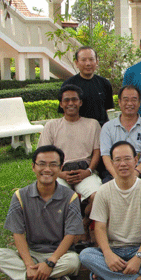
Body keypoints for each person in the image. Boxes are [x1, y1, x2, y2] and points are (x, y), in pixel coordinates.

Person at [0, 145, 84, 280]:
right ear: (33, 167)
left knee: (73, 262)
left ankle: (24, 279)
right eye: (42, 164)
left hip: (59, 256)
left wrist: (50, 263)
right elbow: (18, 233)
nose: (47, 169)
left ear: (60, 169)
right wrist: (28, 264)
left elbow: (70, 235)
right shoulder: (20, 196)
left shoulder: (69, 197)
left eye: (53, 165)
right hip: (31, 254)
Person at [79, 141, 141, 280]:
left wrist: (139, 257)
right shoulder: (103, 191)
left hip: (139, 248)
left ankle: (106, 276)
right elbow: (100, 228)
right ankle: (139, 279)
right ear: (112, 163)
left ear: (135, 160)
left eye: (127, 159)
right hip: (113, 249)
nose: (123, 164)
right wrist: (108, 254)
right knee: (85, 256)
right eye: (118, 160)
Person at [38, 84, 102, 240]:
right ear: (61, 103)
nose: (71, 103)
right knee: (52, 197)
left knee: (99, 196)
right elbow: (43, 156)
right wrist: (60, 174)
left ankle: (85, 223)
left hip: (85, 172)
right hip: (59, 172)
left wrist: (88, 171)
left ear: (80, 102)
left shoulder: (92, 124)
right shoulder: (51, 126)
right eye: (66, 100)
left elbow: (97, 152)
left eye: (75, 99)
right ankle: (60, 235)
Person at [100, 85, 141, 183]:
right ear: (119, 102)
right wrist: (117, 176)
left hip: (140, 172)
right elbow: (106, 156)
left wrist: (135, 173)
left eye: (134, 100)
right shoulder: (107, 127)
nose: (130, 103)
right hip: (115, 172)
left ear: (139, 103)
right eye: (125, 99)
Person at [62, 46, 114, 126]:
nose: (88, 64)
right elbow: (65, 112)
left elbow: (107, 109)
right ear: (76, 63)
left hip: (101, 130)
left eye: (91, 59)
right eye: (83, 60)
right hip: (77, 130)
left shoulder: (105, 83)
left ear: (96, 62)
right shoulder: (69, 85)